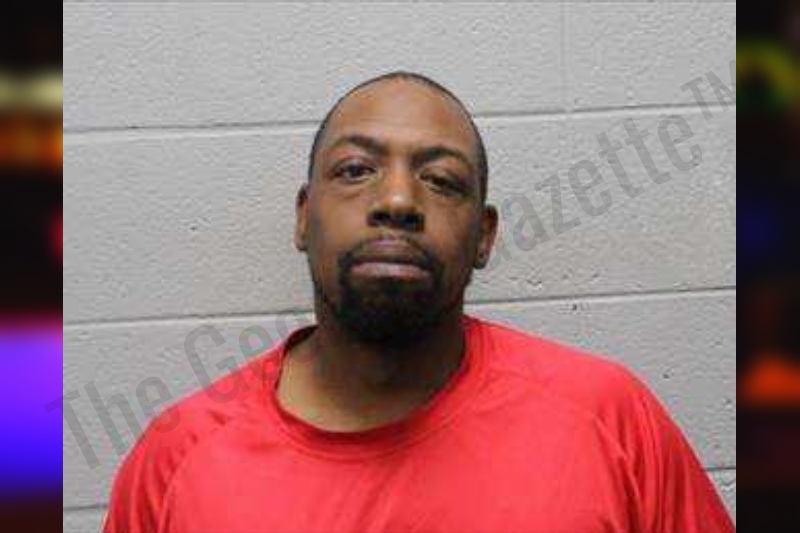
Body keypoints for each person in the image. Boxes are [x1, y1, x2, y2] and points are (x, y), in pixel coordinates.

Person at [104, 71, 735, 533]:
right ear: (303, 218)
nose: (399, 201)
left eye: (441, 180)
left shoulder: (608, 420)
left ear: (484, 235)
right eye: (355, 170)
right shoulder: (179, 459)